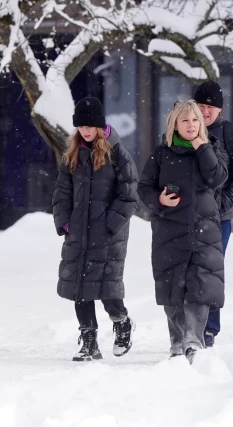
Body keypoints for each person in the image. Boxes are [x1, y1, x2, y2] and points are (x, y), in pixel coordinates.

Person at [137, 100, 227, 364]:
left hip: (204, 231)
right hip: (169, 230)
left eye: (196, 120)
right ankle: (177, 342)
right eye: (185, 120)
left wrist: (203, 148)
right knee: (173, 288)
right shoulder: (162, 153)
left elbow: (218, 178)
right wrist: (159, 201)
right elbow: (144, 188)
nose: (191, 125)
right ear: (175, 124)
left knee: (200, 286)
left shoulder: (212, 149)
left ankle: (193, 341)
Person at [52, 97, 140, 362]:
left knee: (107, 290)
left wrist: (109, 225)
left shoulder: (117, 154)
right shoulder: (72, 156)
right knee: (80, 287)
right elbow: (61, 192)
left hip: (108, 236)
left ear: (100, 126)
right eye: (81, 126)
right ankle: (89, 342)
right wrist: (66, 221)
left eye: (90, 126)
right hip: (78, 233)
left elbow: (129, 196)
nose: (86, 131)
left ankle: (122, 322)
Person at [194, 80, 233, 347]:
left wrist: (222, 204)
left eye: (210, 107)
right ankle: (187, 328)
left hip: (219, 218)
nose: (205, 111)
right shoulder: (183, 129)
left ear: (219, 109)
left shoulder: (232, 134)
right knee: (185, 272)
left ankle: (209, 330)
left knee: (210, 271)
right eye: (200, 106)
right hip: (185, 216)